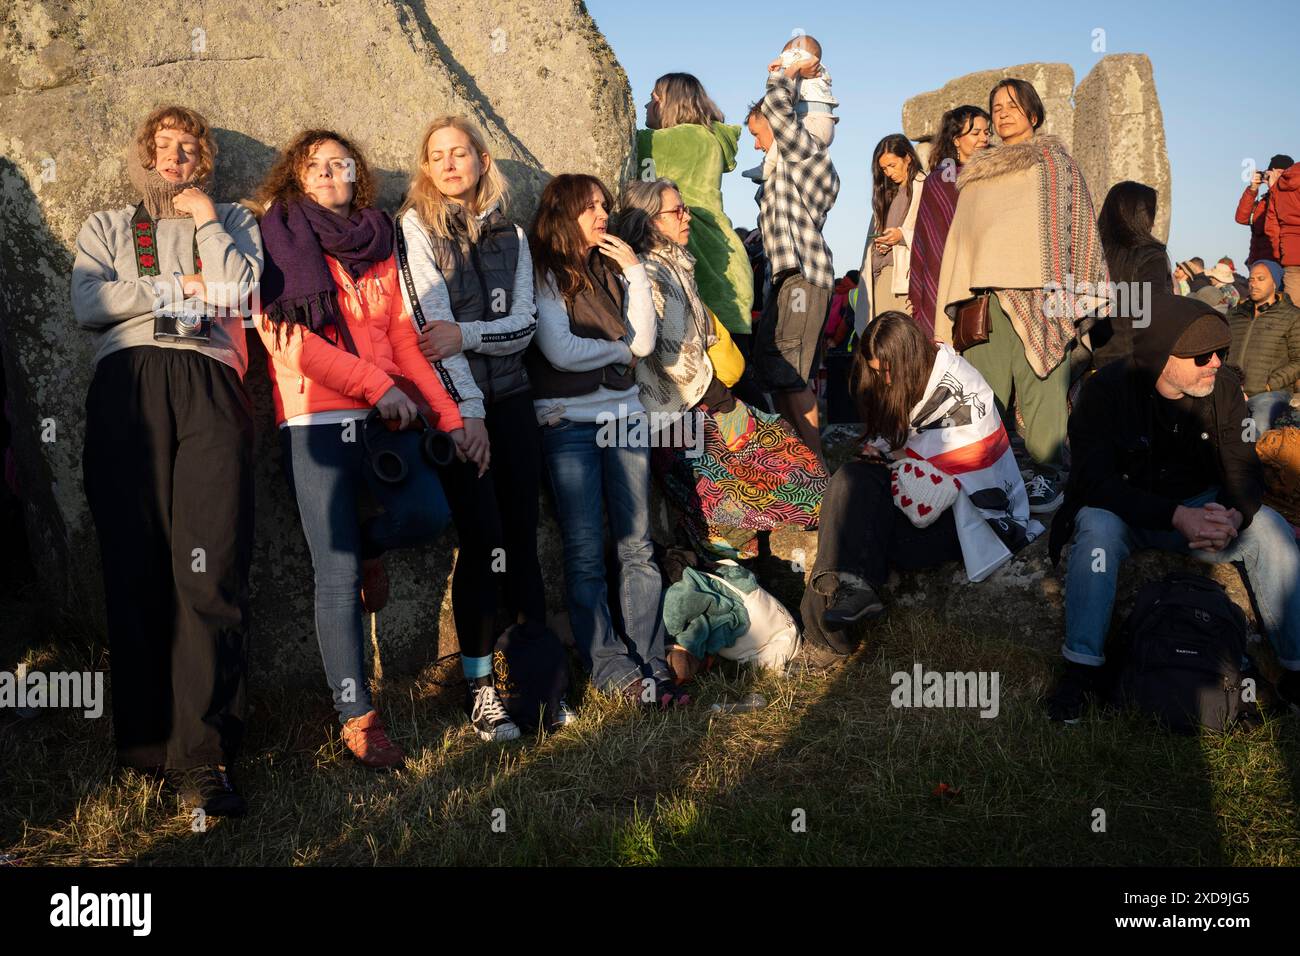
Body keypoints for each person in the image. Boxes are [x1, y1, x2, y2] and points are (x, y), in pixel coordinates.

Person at [253, 129, 468, 769]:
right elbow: (284, 339)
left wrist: (450, 416)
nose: (326, 174)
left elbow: (404, 338)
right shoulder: (278, 236)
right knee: (336, 574)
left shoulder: (378, 239)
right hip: (316, 419)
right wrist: (374, 387)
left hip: (386, 419)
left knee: (429, 515)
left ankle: (372, 546)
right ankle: (358, 717)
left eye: (338, 165)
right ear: (297, 177)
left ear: (357, 176)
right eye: (313, 166)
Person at [71, 105, 263, 814]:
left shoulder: (234, 221)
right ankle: (146, 746)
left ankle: (203, 759)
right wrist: (176, 288)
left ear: (204, 160)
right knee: (137, 564)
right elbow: (87, 301)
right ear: (144, 155)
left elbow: (240, 288)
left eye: (189, 148)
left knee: (209, 571)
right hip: (128, 385)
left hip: (211, 379)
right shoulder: (108, 226)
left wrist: (207, 220)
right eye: (163, 146)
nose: (175, 157)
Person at [1047, 293, 1300, 720]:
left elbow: (1244, 466)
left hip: (1204, 506)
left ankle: (1295, 669)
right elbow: (1093, 481)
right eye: (1203, 356)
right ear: (1164, 356)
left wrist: (1235, 513)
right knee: (1096, 533)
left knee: (1271, 530)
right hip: (1129, 509)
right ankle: (1081, 671)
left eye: (1221, 352)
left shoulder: (1223, 389)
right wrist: (1176, 517)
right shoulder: (1104, 391)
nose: (1216, 363)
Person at [395, 115, 562, 742]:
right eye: (435, 155)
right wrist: (467, 414)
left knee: (521, 535)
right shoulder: (413, 228)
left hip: (514, 402)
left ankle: (541, 683)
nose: (447, 164)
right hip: (456, 409)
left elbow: (522, 329)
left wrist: (468, 334)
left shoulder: (513, 235)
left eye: (458, 153)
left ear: (482, 160)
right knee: (482, 540)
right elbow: (424, 330)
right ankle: (480, 686)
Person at [525, 173, 685, 707]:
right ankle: (610, 664)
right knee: (586, 548)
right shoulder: (543, 270)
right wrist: (619, 354)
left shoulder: (614, 268)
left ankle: (651, 661)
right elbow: (560, 351)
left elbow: (643, 340)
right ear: (563, 213)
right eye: (589, 206)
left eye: (603, 205)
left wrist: (636, 273)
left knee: (637, 545)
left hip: (624, 416)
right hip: (567, 419)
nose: (602, 214)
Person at [800, 312, 1040, 662]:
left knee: (853, 496)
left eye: (886, 371)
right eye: (877, 371)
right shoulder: (911, 383)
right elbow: (902, 446)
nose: (883, 379)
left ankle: (824, 638)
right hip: (913, 508)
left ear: (909, 359)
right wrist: (886, 457)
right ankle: (850, 593)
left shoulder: (961, 389)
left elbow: (970, 468)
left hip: (965, 526)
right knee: (849, 481)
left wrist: (897, 460)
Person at [616, 178, 827, 561]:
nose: (687, 216)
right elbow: (666, 357)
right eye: (675, 211)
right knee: (767, 496)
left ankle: (759, 569)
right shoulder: (649, 274)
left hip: (705, 409)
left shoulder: (676, 266)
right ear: (648, 222)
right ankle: (735, 580)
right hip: (681, 420)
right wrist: (722, 403)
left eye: (685, 207)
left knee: (800, 477)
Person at [934, 78, 1109, 514]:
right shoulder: (975, 174)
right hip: (985, 299)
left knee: (1044, 386)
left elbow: (1079, 228)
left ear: (1033, 113)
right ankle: (989, 477)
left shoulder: (1056, 165)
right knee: (981, 393)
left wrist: (1080, 296)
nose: (1004, 112)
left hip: (1043, 294)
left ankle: (1049, 475)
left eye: (1013, 105)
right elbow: (961, 243)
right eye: (996, 108)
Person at [746, 49, 840, 458]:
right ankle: (799, 470)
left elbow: (779, 107)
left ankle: (816, 474)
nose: (755, 144)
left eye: (757, 133)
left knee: (793, 375)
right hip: (786, 281)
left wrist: (788, 70)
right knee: (778, 375)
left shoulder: (804, 154)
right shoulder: (781, 166)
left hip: (803, 276)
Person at [638, 74, 754, 341]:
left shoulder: (689, 139)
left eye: (652, 98)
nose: (646, 106)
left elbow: (636, 143)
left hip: (707, 265)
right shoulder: (705, 138)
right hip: (721, 263)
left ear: (667, 102)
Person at [907, 106, 991, 337]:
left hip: (989, 275)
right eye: (975, 133)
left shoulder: (997, 174)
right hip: (947, 274)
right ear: (956, 139)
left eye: (987, 132)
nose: (984, 138)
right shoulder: (939, 182)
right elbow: (927, 241)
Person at [1091, 180, 1172, 366]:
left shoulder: (1089, 252)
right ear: (1142, 216)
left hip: (1090, 361)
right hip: (1134, 363)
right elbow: (1155, 313)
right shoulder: (1151, 255)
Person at [741, 34, 838, 185]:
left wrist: (788, 64)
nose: (756, 145)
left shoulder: (811, 64)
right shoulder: (810, 76)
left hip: (813, 119)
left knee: (781, 140)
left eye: (757, 135)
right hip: (821, 121)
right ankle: (766, 167)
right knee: (780, 144)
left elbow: (775, 99)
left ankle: (766, 167)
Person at [855, 134, 926, 325]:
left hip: (906, 280)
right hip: (882, 276)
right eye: (884, 168)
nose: (888, 173)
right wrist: (884, 243)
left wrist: (902, 235)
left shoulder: (924, 186)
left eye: (892, 165)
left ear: (908, 158)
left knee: (902, 342)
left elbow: (933, 234)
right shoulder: (888, 196)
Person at [1225, 260, 1300, 431]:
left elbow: (1298, 360)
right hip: (1232, 390)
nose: (1254, 284)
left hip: (1269, 393)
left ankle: (1256, 457)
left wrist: (1268, 385)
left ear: (1274, 283)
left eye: (1261, 278)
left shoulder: (1292, 316)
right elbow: (1223, 352)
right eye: (1251, 279)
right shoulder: (1235, 315)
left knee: (1257, 427)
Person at [1237, 154, 1291, 267]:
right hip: (1257, 262)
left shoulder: (1292, 197)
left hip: (1279, 263)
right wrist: (1252, 190)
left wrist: (1274, 190)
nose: (1274, 177)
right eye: (1271, 172)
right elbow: (1241, 218)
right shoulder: (1265, 200)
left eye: (1280, 173)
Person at [1265, 159, 1300, 303]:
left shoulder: (1277, 187)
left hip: (1291, 257)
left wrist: (1281, 254)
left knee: (1293, 310)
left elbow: (1271, 227)